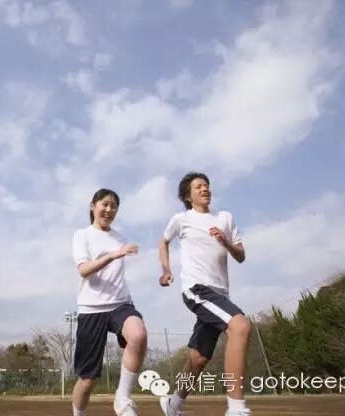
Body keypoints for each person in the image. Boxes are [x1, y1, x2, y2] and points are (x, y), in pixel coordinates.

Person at [159, 172, 251, 416]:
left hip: (221, 294)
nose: (205, 189)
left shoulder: (225, 217)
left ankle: (174, 403)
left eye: (207, 185)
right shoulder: (181, 219)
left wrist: (226, 242)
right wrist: (166, 270)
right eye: (198, 186)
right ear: (188, 196)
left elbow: (241, 255)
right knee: (240, 326)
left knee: (199, 358)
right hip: (197, 289)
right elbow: (163, 242)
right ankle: (237, 409)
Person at [71, 188, 148, 416]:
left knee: (138, 335)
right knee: (87, 380)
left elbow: (117, 275)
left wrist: (131, 305)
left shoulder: (119, 238)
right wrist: (113, 255)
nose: (109, 209)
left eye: (114, 206)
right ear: (92, 206)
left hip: (120, 304)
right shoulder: (82, 235)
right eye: (104, 204)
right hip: (91, 308)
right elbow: (84, 270)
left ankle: (122, 398)